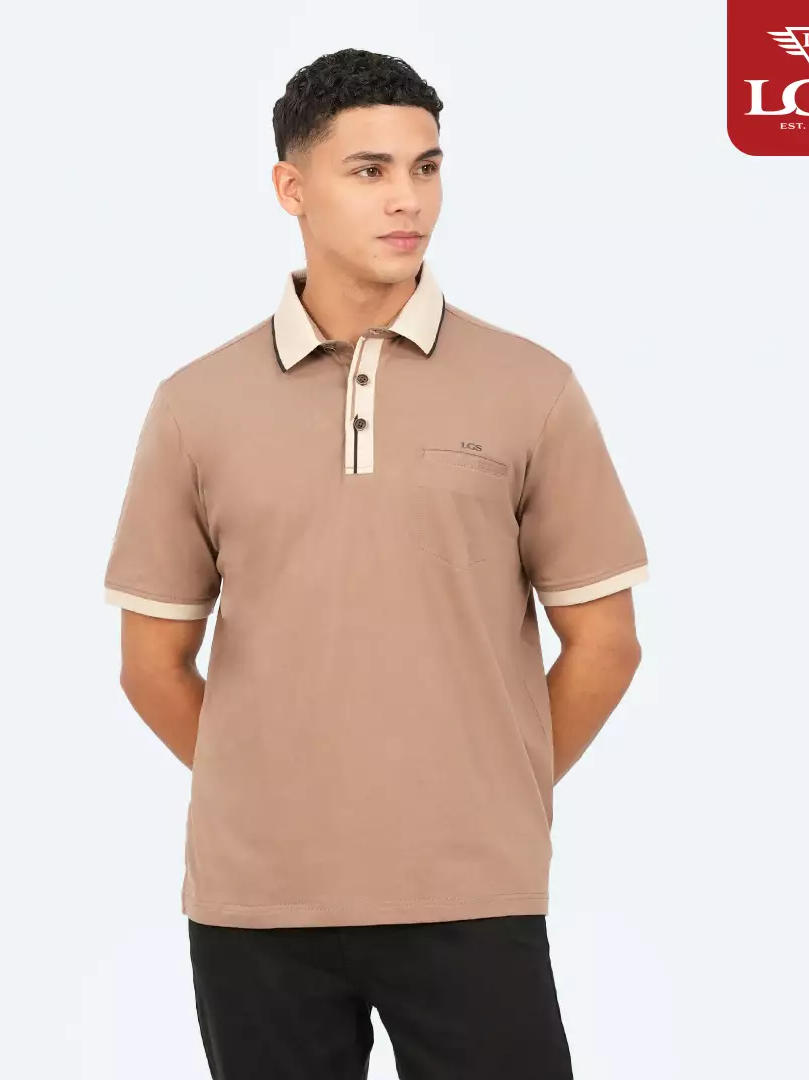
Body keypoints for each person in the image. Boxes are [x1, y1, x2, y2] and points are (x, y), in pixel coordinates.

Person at [104, 46, 649, 1080]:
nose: (409, 199)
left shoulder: (530, 387)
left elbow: (606, 645)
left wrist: (490, 790)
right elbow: (151, 664)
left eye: (426, 167)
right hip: (258, 904)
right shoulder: (196, 404)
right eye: (371, 171)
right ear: (291, 188)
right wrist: (277, 794)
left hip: (470, 889)